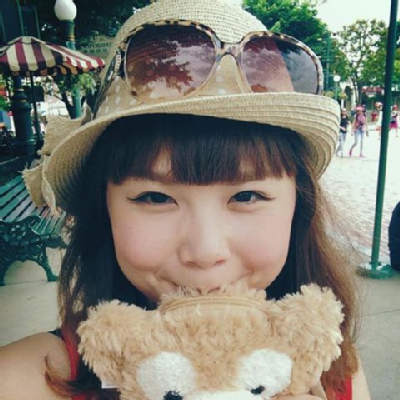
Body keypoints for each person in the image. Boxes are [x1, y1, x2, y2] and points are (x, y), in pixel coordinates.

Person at [1, 1, 370, 400]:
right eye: (155, 197)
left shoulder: (336, 372)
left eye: (247, 195)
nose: (205, 252)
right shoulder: (29, 380)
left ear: (298, 207)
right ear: (104, 210)